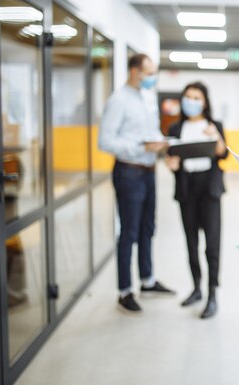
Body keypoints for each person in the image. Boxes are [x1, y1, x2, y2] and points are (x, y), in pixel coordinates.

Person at [99, 53, 175, 316]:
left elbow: (151, 131)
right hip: (128, 172)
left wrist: (161, 144)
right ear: (134, 71)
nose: (152, 77)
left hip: (148, 170)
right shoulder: (118, 101)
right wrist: (140, 147)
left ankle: (148, 280)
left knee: (148, 228)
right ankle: (124, 291)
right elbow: (105, 141)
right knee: (129, 232)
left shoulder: (147, 98)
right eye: (149, 72)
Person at [165, 81, 228, 319]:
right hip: (186, 188)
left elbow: (222, 153)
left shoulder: (214, 125)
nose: (191, 101)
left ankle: (212, 294)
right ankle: (196, 288)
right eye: (187, 97)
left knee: (212, 244)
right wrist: (171, 165)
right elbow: (172, 159)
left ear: (205, 101)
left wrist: (215, 136)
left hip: (209, 188)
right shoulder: (175, 128)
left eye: (196, 97)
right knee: (191, 242)